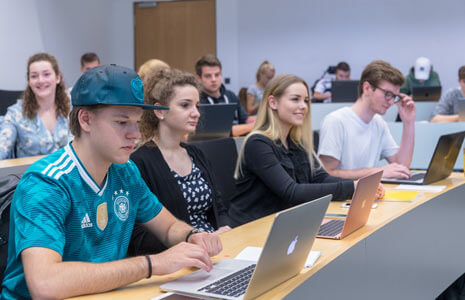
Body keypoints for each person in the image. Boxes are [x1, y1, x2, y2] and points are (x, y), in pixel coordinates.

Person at [1, 65, 222, 299]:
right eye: (121, 122)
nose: (135, 134)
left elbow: (168, 227)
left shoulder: (125, 171)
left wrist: (193, 235)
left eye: (137, 122)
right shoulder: (46, 183)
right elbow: (45, 284)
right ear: (85, 120)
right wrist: (152, 264)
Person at [228, 74, 362, 227]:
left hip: (282, 225)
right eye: (295, 99)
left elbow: (321, 178)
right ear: (273, 102)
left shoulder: (297, 143)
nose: (304, 106)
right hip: (250, 229)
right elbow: (292, 192)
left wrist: (359, 186)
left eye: (306, 100)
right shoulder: (257, 143)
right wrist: (351, 188)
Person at [128, 68, 231, 256]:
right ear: (159, 111)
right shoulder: (140, 162)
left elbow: (219, 206)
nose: (196, 113)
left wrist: (224, 229)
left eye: (197, 106)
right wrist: (191, 241)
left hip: (215, 249)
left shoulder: (196, 154)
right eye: (185, 105)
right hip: (176, 255)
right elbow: (139, 232)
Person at [318, 60, 416, 180]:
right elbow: (327, 174)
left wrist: (408, 122)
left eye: (394, 96)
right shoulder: (336, 121)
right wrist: (377, 172)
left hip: (368, 195)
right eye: (388, 94)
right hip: (344, 198)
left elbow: (402, 167)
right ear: (367, 88)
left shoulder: (379, 123)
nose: (391, 102)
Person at [0, 53, 72, 160]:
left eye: (46, 74)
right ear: (29, 81)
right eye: (34, 76)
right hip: (34, 175)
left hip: (70, 174)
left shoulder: (73, 108)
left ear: (58, 78)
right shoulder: (16, 113)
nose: (41, 80)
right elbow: (2, 147)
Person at [195, 54, 255, 137]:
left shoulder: (231, 95)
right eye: (208, 76)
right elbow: (216, 132)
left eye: (217, 75)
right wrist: (251, 126)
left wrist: (259, 120)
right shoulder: (197, 100)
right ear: (199, 78)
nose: (214, 79)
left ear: (221, 74)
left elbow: (245, 119)